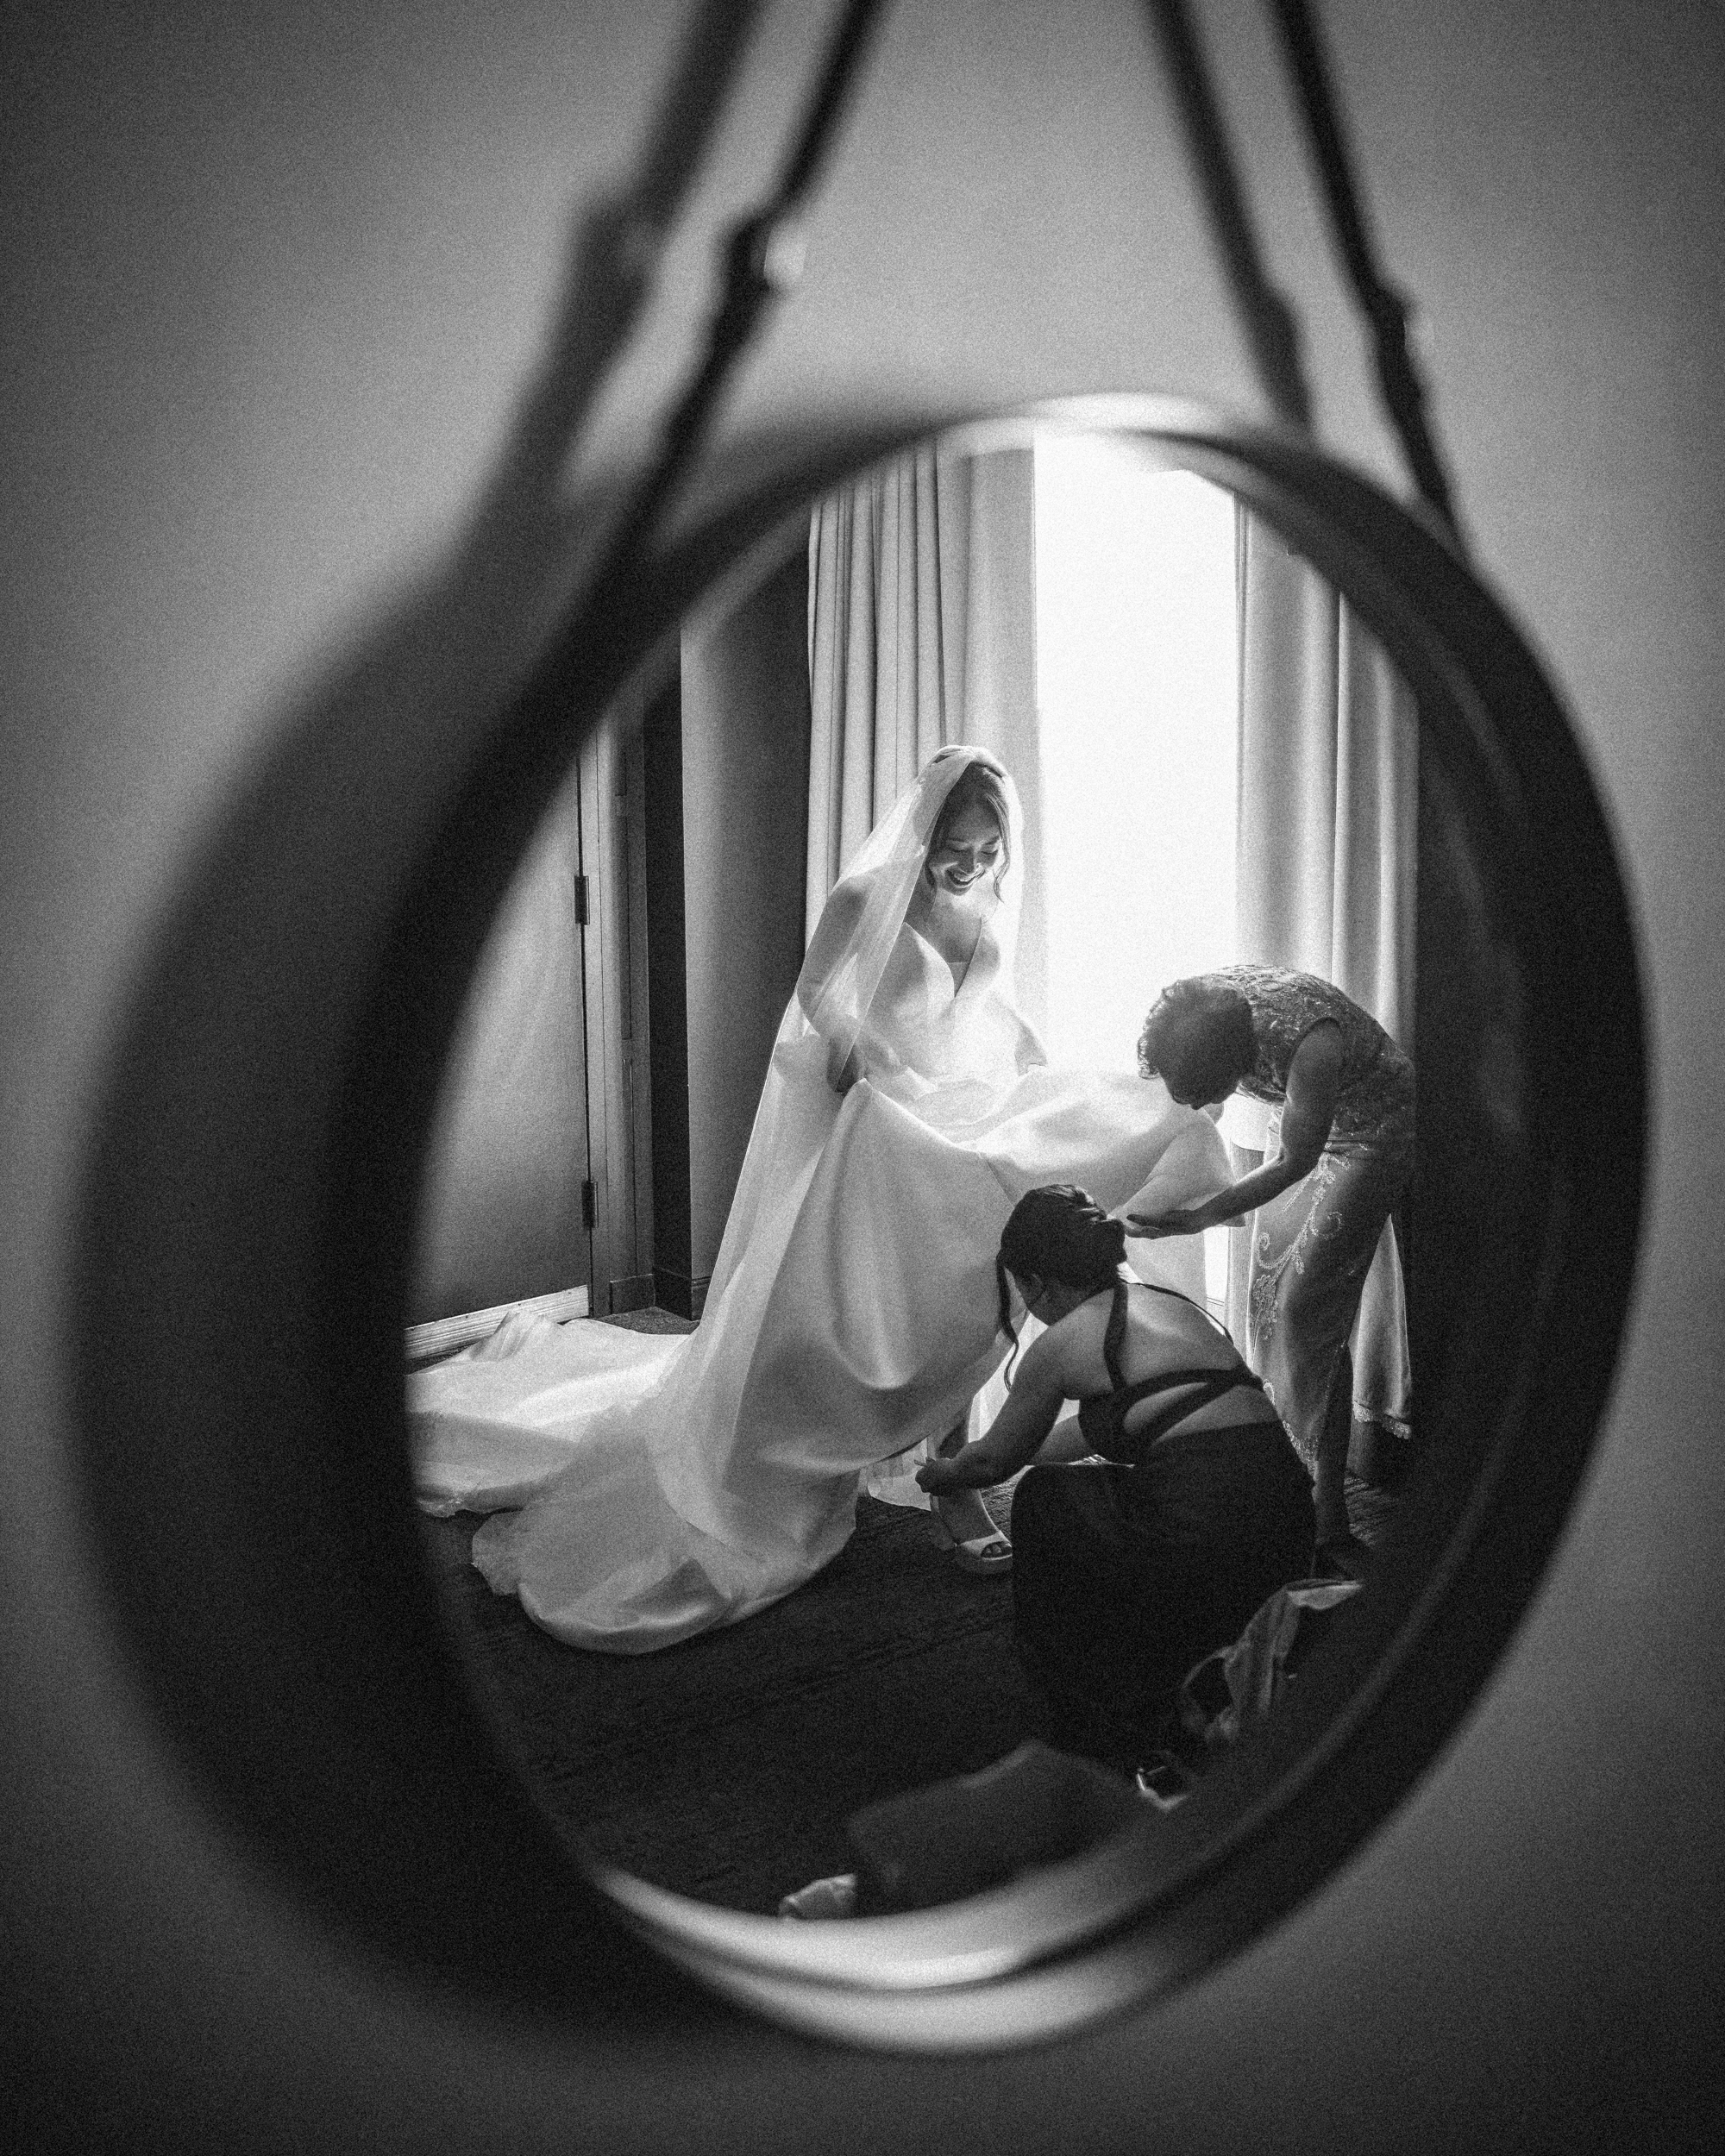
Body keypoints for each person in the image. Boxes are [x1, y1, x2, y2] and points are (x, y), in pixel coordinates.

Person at [409, 747, 1233, 1652]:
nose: (966, 867)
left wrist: (1032, 1050)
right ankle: (873, 1456)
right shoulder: (865, 898)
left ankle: (947, 1461)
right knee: (919, 1294)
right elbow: (814, 993)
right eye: (951, 848)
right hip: (885, 1118)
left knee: (991, 1258)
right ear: (921, 833)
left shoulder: (989, 900)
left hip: (958, 1103)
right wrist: (868, 1058)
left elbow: (986, 1007)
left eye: (984, 850)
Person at [916, 1184, 1315, 1772]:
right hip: (1289, 1529)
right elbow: (1090, 1432)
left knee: (1045, 1502)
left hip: (1205, 1540)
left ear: (1034, 1282)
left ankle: (1091, 1711)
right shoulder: (1170, 1305)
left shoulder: (1064, 1342)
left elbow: (991, 1466)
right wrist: (1004, 1452)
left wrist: (944, 1471)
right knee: (1089, 1488)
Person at [1129, 966, 1415, 1564]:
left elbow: (1293, 1161)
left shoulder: (1312, 1046)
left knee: (1304, 1313)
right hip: (1305, 1120)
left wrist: (1203, 1216)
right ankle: (1279, 1482)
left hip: (1371, 1132)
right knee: (1264, 1307)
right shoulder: (1193, 1014)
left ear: (1237, 1065)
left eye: (1205, 1091)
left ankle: (1327, 1511)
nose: (1199, 1103)